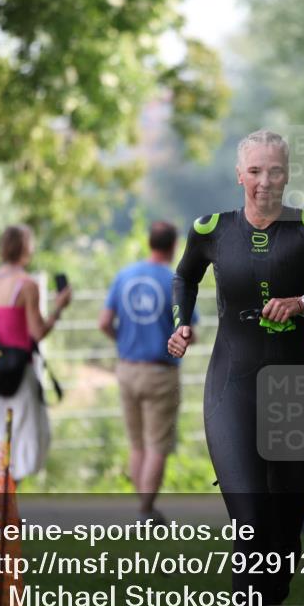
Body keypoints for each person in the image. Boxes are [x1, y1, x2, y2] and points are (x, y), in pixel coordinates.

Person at [168, 129, 304, 606]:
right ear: (240, 175)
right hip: (231, 389)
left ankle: (273, 600)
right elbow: (184, 277)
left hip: (291, 391)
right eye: (255, 171)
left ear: (287, 174)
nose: (264, 181)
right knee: (251, 528)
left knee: (283, 540)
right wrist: (181, 322)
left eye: (274, 170)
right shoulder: (211, 230)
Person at [99, 221, 193, 523]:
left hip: (127, 369)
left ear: (150, 241)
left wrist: (123, 341)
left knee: (137, 444)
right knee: (157, 445)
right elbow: (187, 330)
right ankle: (145, 511)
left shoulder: (124, 275)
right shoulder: (174, 281)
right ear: (173, 245)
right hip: (160, 373)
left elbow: (104, 322)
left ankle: (142, 509)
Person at [0, 224, 72, 482]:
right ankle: (8, 497)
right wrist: (58, 308)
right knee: (26, 437)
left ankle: (0, 495)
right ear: (25, 248)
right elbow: (37, 332)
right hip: (19, 371)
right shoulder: (27, 285)